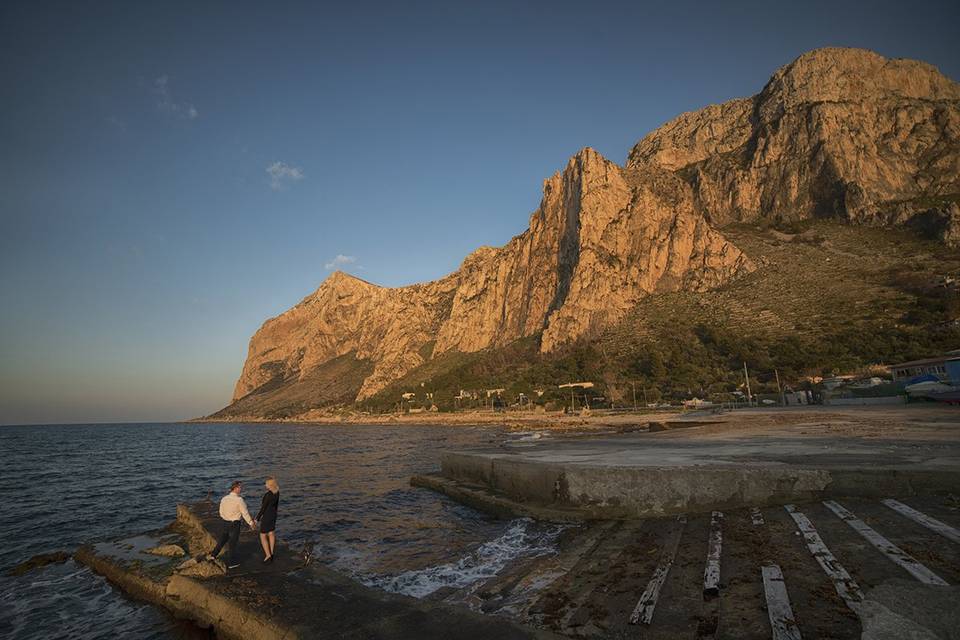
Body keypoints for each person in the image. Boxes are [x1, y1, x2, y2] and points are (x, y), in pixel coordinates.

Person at [208, 480, 256, 569]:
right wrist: (250, 523)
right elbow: (244, 513)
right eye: (240, 487)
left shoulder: (224, 498)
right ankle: (232, 563)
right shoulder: (239, 500)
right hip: (235, 523)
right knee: (232, 544)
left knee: (222, 540)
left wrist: (225, 517)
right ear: (236, 488)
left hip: (225, 522)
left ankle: (213, 555)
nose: (241, 489)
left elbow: (220, 512)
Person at [255, 477, 280, 563]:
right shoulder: (277, 492)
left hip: (267, 516)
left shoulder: (268, 495)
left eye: (266, 483)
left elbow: (263, 508)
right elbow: (276, 505)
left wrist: (257, 519)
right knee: (271, 533)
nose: (265, 485)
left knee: (262, 535)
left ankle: (268, 555)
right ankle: (272, 553)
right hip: (273, 515)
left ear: (270, 485)